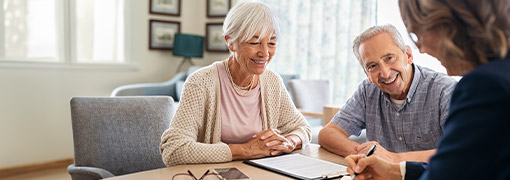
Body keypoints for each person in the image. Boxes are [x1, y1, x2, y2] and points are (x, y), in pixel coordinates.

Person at [345, 0, 510, 179]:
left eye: (418, 34)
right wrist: (396, 171)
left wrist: (394, 160)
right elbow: (463, 164)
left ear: (449, 26)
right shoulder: (500, 75)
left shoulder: (485, 86)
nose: (421, 48)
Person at [159, 1, 311, 167]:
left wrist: (289, 142)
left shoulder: (272, 81)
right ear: (230, 42)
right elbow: (173, 150)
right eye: (254, 43)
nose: (265, 53)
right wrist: (246, 150)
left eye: (272, 43)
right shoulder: (200, 82)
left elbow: (302, 128)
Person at [318, 24, 457, 163]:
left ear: (408, 55)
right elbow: (327, 134)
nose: (385, 73)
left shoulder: (445, 90)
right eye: (372, 66)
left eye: (389, 58)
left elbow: (462, 151)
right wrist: (366, 154)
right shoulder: (367, 91)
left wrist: (393, 159)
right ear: (367, 74)